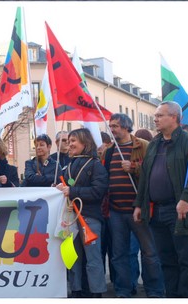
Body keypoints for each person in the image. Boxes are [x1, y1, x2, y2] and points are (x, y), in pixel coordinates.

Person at [133, 102, 188, 298]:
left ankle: (187, 297)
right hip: (156, 211)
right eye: (155, 115)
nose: (155, 119)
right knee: (166, 259)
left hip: (179, 210)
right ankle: (172, 296)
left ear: (174, 117)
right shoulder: (154, 143)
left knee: (185, 260)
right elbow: (145, 176)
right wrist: (138, 204)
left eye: (160, 115)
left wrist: (187, 197)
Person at [102, 113, 164, 298]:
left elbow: (154, 173)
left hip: (139, 209)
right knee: (119, 254)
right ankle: (124, 290)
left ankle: (154, 290)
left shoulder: (144, 146)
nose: (112, 129)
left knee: (149, 253)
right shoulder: (109, 151)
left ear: (127, 127)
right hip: (115, 211)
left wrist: (135, 168)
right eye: (111, 126)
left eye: (116, 126)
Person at [55, 128, 109, 298]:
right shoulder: (68, 166)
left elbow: (98, 192)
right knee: (73, 257)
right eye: (68, 141)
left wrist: (72, 191)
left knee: (93, 259)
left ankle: (96, 292)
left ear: (85, 143)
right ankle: (76, 290)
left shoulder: (96, 165)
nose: (69, 145)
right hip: (71, 219)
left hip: (90, 218)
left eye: (73, 141)